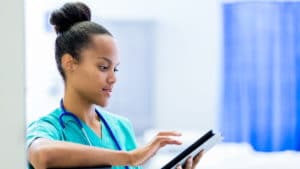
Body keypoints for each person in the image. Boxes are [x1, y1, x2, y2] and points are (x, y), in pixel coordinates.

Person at [26, 2, 204, 169]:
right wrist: (129, 157)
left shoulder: (121, 126)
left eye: (115, 69)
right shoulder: (49, 128)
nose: (113, 78)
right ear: (70, 63)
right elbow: (42, 155)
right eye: (103, 67)